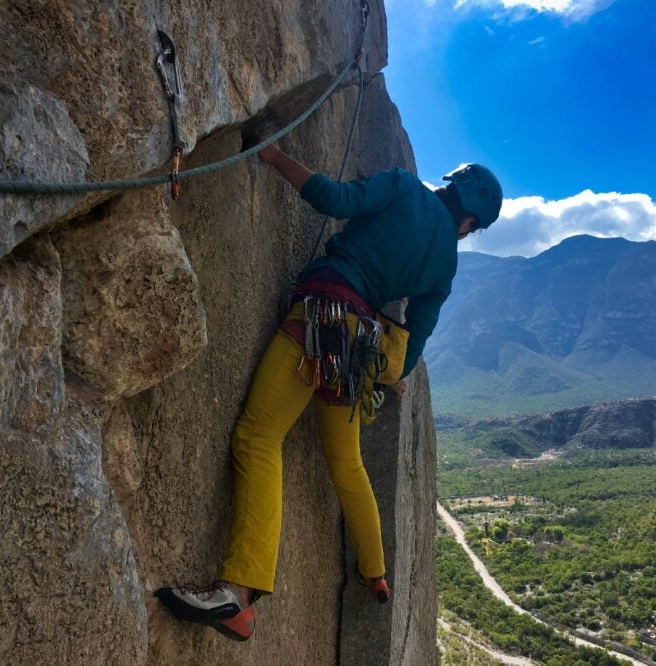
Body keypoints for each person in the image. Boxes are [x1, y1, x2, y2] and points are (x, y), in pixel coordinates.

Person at [156, 144, 503, 641]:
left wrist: (275, 157)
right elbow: (410, 349)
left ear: (453, 186)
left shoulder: (403, 186)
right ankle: (375, 572)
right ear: (470, 219)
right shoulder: (445, 267)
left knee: (258, 438)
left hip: (318, 320)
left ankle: (240, 595)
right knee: (347, 465)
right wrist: (392, 374)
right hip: (356, 353)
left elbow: (335, 199)